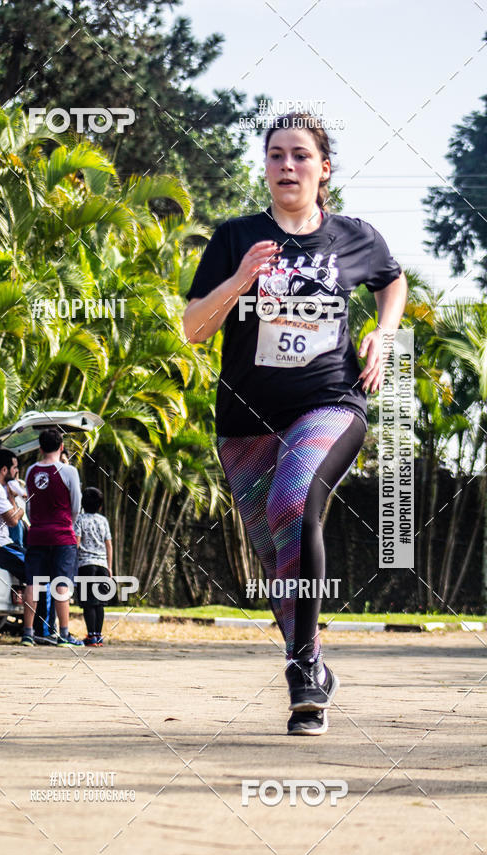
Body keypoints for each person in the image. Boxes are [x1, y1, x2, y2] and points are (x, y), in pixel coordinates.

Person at [183, 113, 407, 736]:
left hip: (332, 400)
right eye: (276, 154)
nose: (287, 165)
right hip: (245, 421)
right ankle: (312, 664)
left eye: (301, 156)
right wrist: (238, 280)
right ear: (265, 166)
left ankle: (303, 670)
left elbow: (393, 281)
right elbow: (194, 328)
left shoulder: (354, 237)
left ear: (323, 168)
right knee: (278, 552)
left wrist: (383, 336)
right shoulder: (236, 238)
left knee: (292, 503)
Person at [0, 448, 46, 639]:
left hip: (0, 542)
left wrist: (12, 498)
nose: (16, 473)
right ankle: (42, 631)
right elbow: (13, 519)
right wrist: (17, 505)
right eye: (15, 468)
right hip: (0, 545)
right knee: (39, 576)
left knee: (37, 575)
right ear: (5, 469)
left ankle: (38, 630)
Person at [22, 428, 83, 646]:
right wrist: (68, 524)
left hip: (37, 533)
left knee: (33, 584)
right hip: (62, 535)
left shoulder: (30, 471)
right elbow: (76, 505)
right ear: (62, 447)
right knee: (61, 584)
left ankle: (28, 633)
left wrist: (37, 522)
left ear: (40, 448)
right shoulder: (69, 472)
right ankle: (64, 634)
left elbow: (28, 504)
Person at [74, 487, 113, 646]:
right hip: (102, 565)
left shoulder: (80, 519)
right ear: (100, 506)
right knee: (99, 602)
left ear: (83, 503)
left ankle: (91, 636)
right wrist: (109, 567)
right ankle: (98, 635)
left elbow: (76, 542)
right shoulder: (103, 520)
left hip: (86, 565)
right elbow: (108, 544)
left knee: (88, 602)